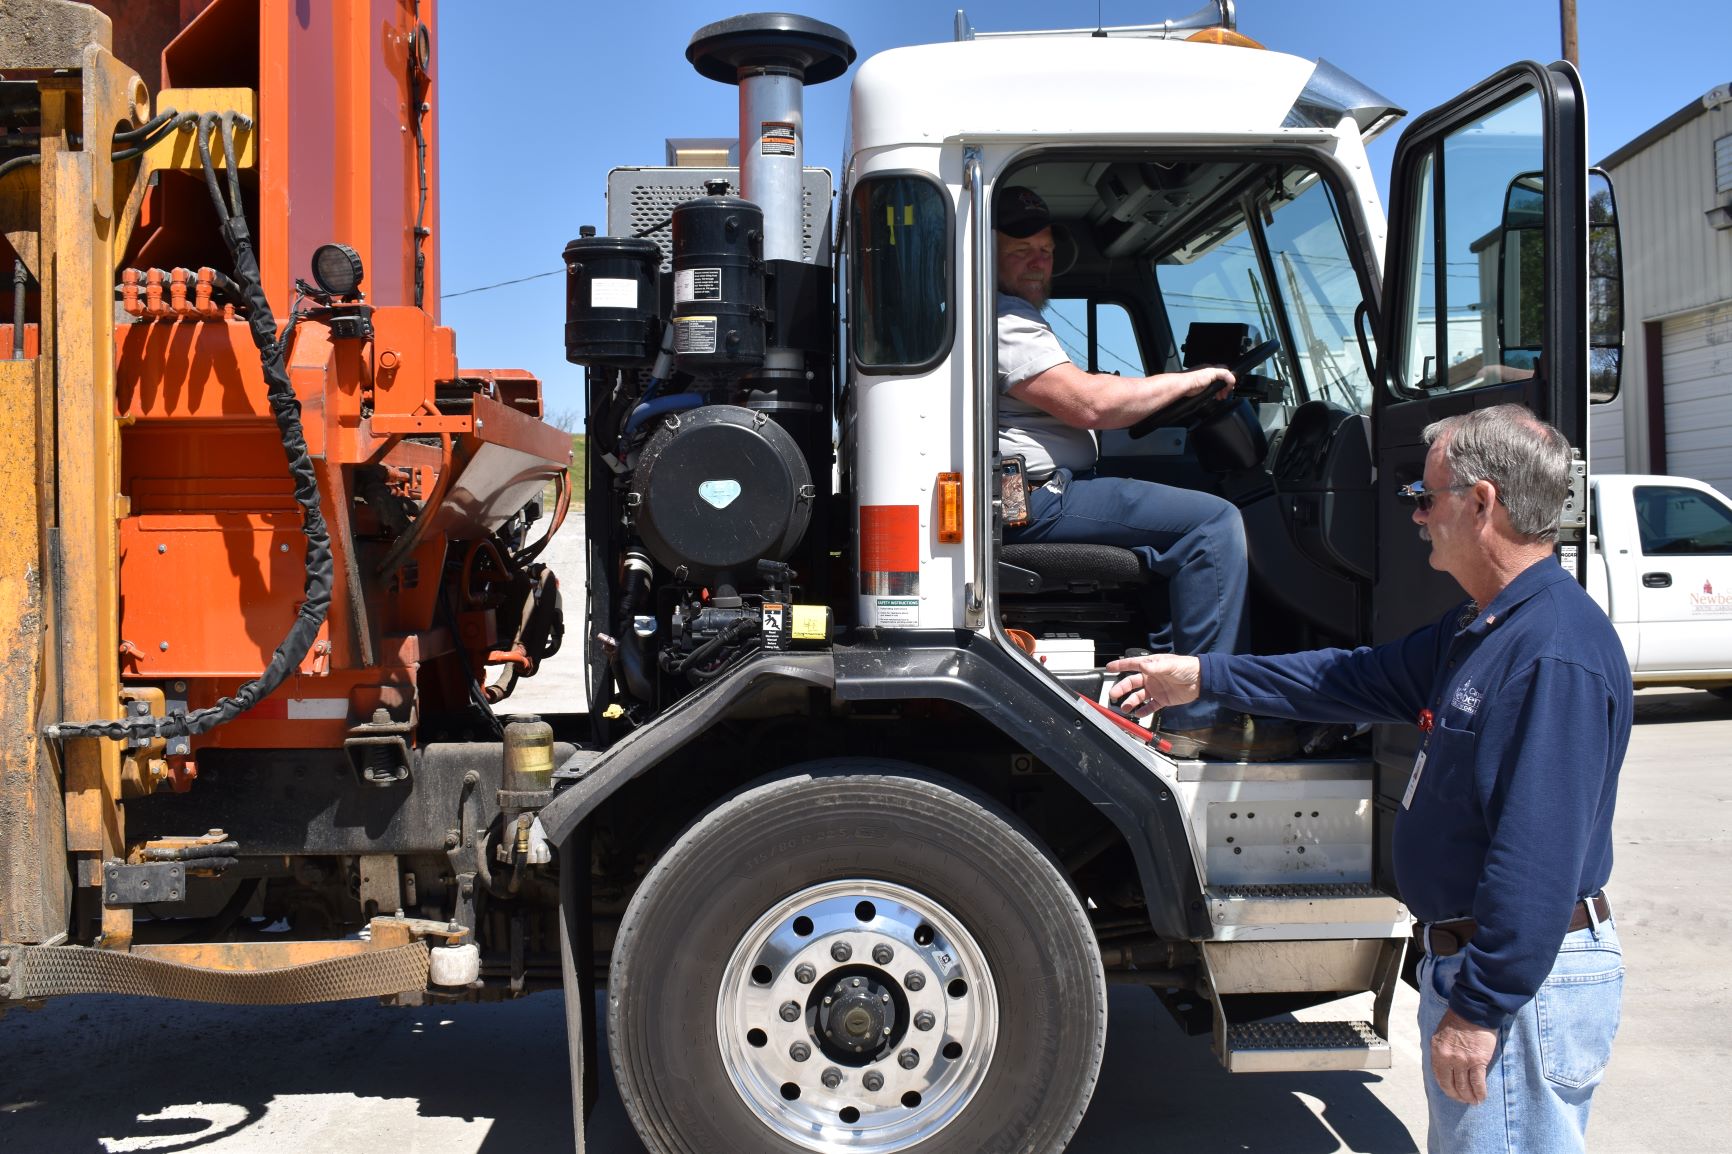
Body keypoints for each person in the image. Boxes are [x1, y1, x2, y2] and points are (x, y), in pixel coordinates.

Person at [1107, 404, 1631, 1153]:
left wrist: (1480, 1010)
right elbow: (1347, 677)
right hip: (1481, 963)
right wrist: (1200, 675)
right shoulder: (1482, 629)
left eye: (1424, 497)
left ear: (1481, 504)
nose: (1415, 516)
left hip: (1518, 982)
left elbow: (1537, 855)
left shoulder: (1550, 652)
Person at [994, 185, 1266, 755]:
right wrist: (1194, 379)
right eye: (1021, 250)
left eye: (1043, 249)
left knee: (1181, 518)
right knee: (1211, 525)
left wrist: (1152, 391)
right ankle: (1203, 718)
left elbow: (1088, 397)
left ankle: (1164, 687)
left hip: (1039, 491)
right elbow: (1088, 404)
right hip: (1036, 499)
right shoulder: (1003, 319)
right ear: (988, 254)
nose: (1038, 260)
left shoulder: (1010, 317)